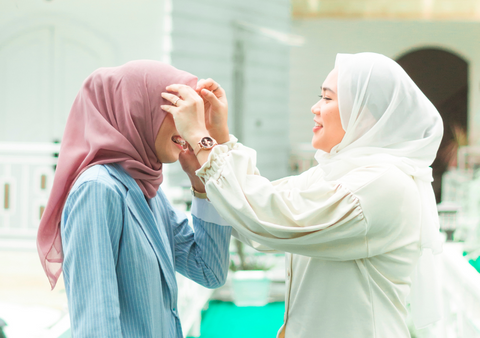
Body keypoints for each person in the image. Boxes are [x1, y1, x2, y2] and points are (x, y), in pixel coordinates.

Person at [161, 52, 444, 338]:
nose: (315, 108)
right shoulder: (334, 171)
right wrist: (219, 137)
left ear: (365, 113)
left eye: (328, 98)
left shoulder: (385, 183)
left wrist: (201, 138)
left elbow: (268, 220)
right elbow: (255, 210)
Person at [36, 61, 232, 338]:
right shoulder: (98, 189)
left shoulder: (146, 189)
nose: (187, 126)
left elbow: (208, 269)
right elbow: (97, 324)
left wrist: (202, 176)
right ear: (139, 111)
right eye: (177, 111)